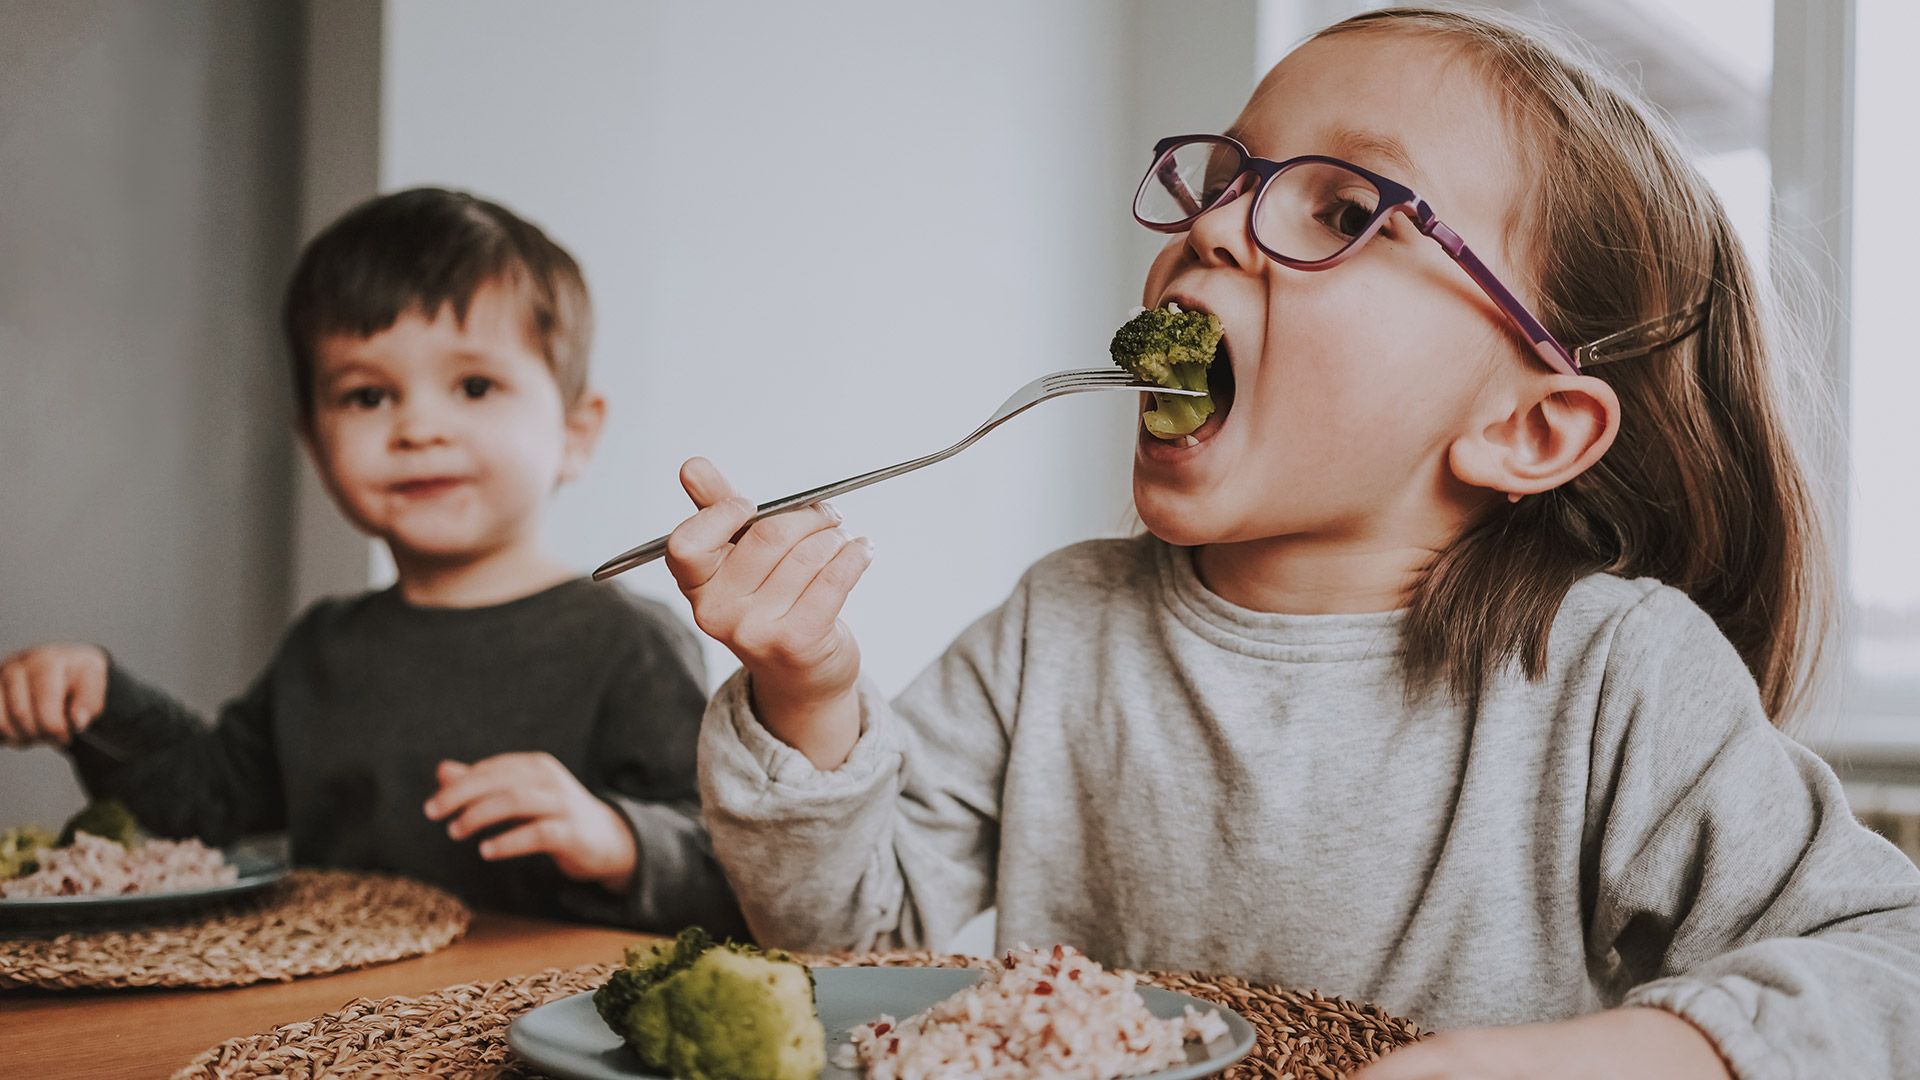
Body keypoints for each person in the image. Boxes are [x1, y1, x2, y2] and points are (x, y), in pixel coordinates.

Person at [664, 9, 1920, 1078]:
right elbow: (852, 944)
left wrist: (1618, 1054)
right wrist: (805, 695)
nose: (1213, 229)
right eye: (1224, 181)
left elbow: (1888, 965)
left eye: (1341, 209)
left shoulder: (1611, 676)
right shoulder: (1063, 622)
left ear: (1529, 427)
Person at [0, 187, 743, 935]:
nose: (419, 426)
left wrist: (614, 839)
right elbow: (207, 807)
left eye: (475, 386)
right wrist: (98, 704)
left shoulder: (627, 646)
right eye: (366, 396)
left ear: (577, 432)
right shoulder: (322, 647)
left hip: (538, 1023)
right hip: (331, 1026)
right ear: (314, 442)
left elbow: (734, 870)